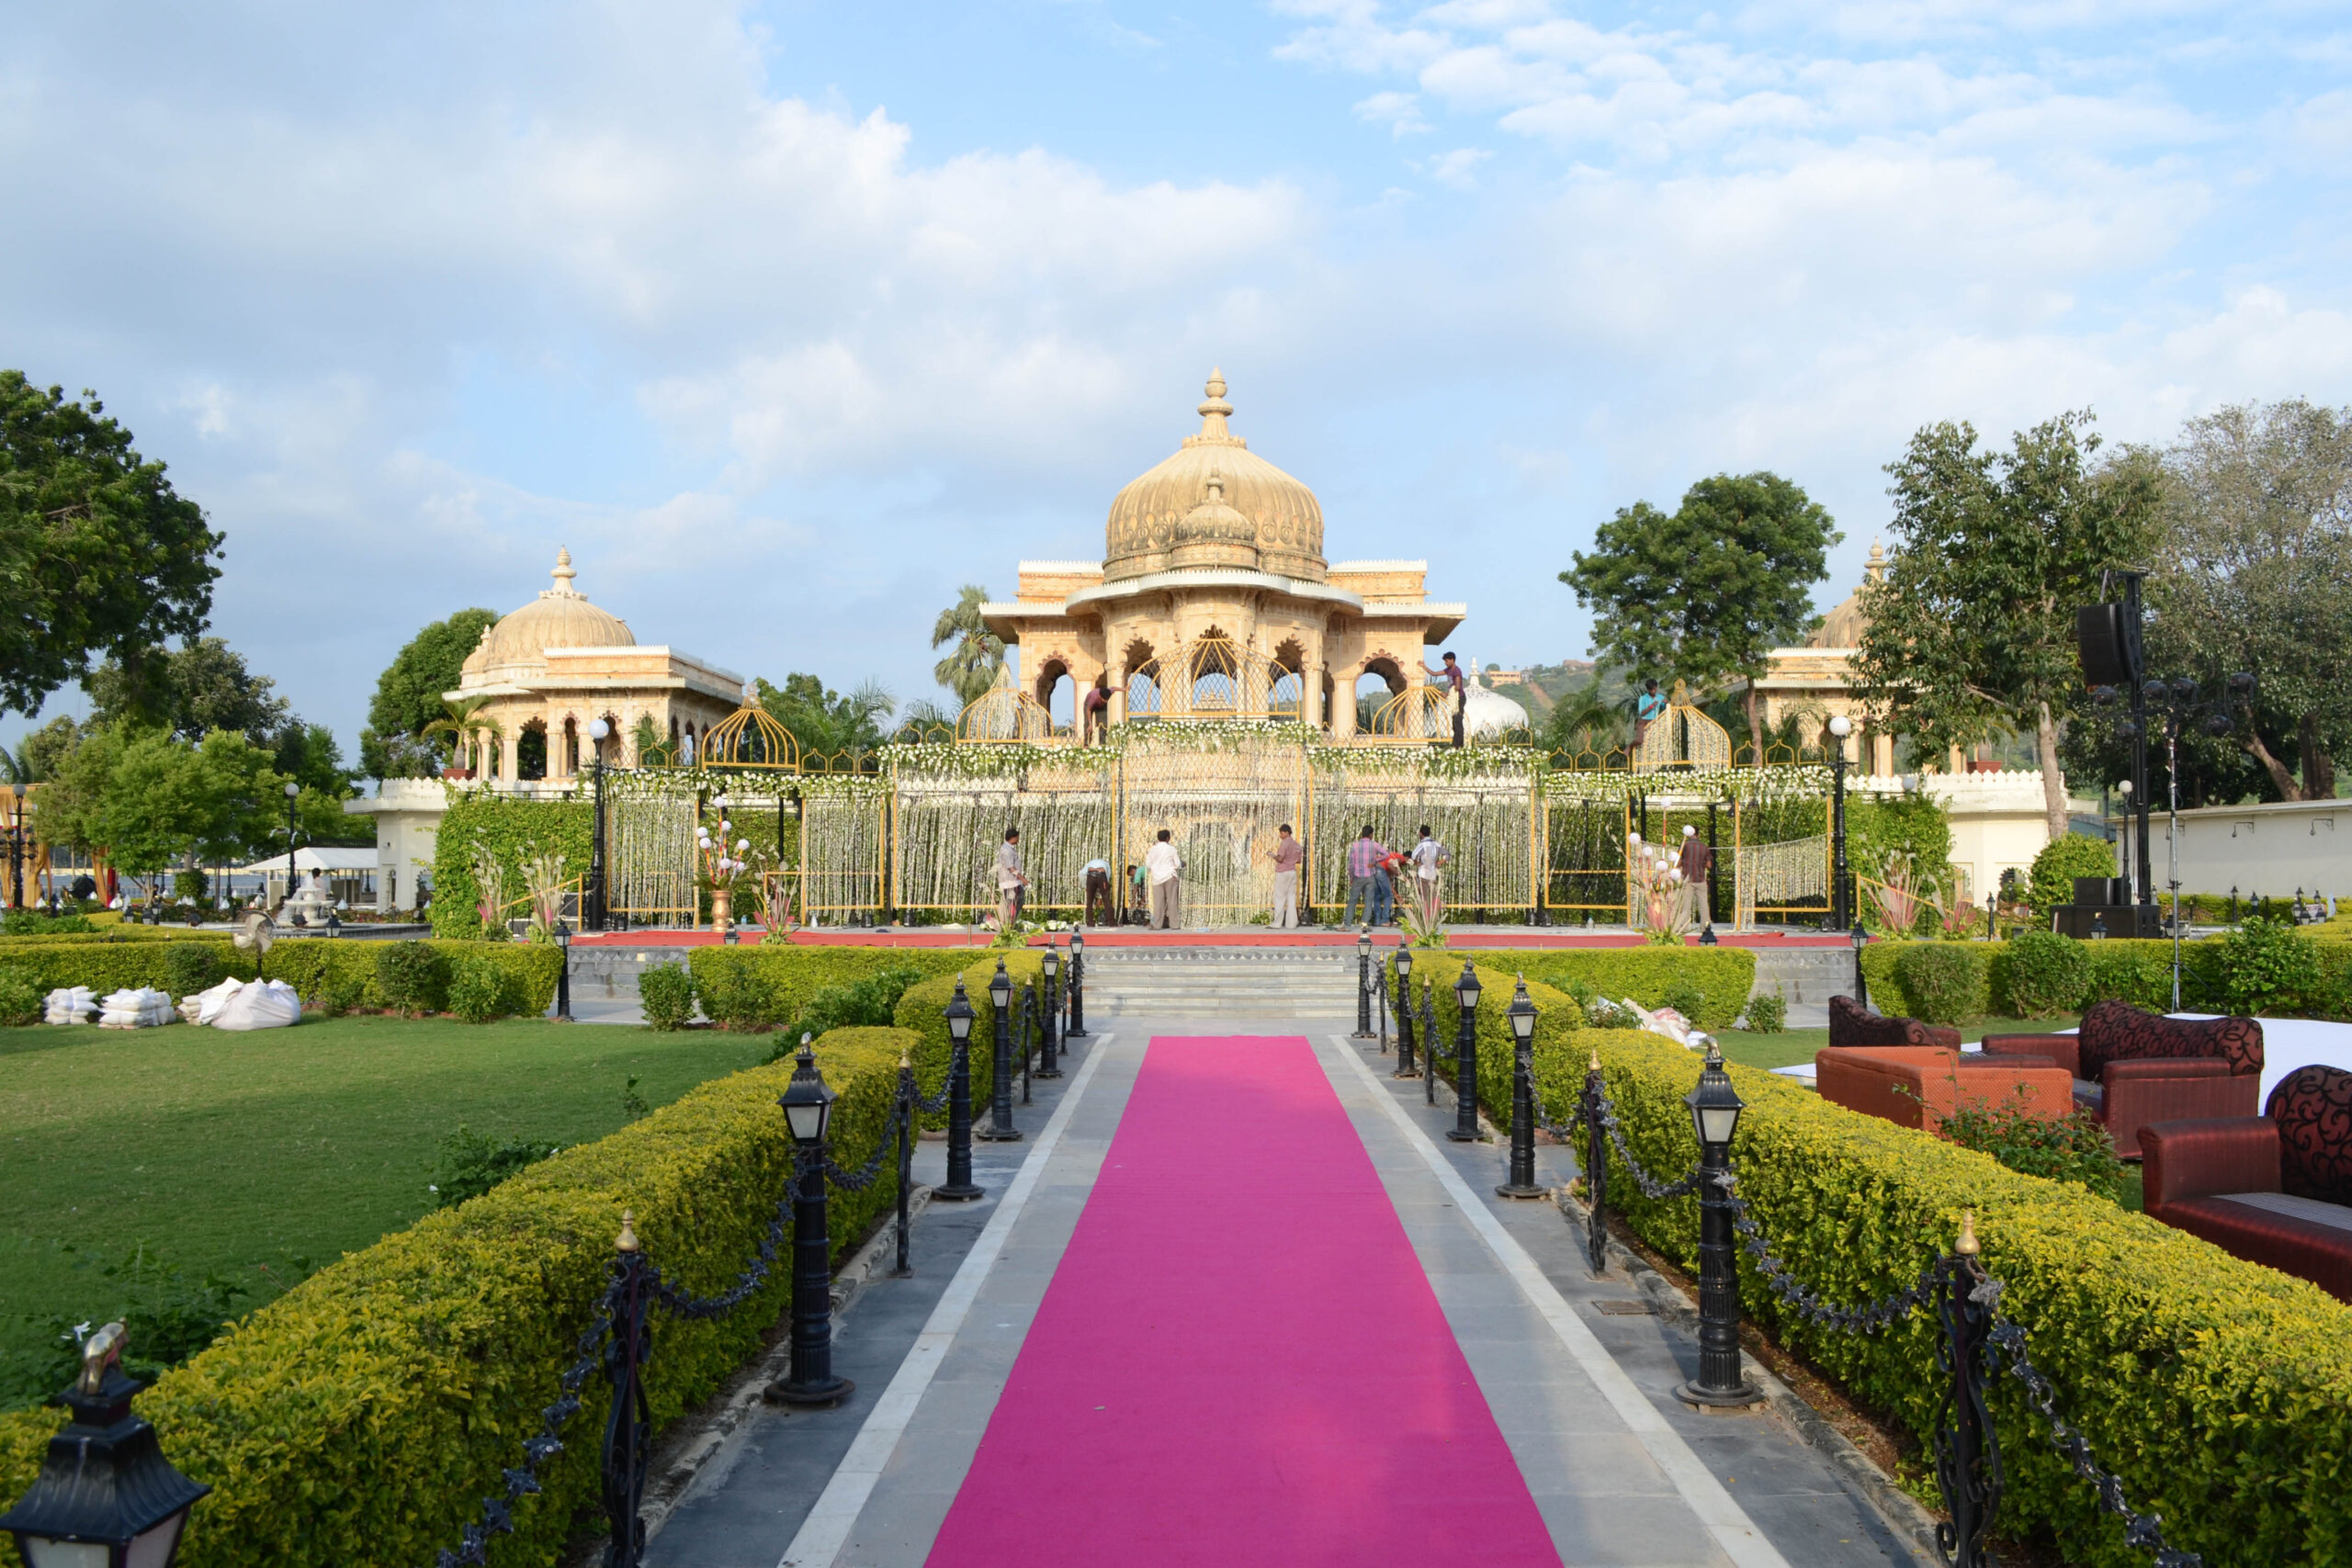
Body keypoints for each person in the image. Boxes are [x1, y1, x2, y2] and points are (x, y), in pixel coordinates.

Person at [1344, 825, 1387, 926]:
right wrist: (1375, 861)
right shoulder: (1375, 845)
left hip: (1358, 876)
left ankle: (1347, 924)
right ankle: (1365, 924)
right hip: (1370, 876)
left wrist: (1351, 878)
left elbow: (1351, 864)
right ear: (1371, 835)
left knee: (1352, 900)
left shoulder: (1355, 845)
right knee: (1368, 901)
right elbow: (1386, 854)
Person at [1423, 650, 1468, 748]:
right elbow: (1434, 673)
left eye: (1447, 661)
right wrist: (1424, 667)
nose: (1446, 663)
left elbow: (1457, 686)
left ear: (1452, 660)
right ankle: (1458, 744)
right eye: (1445, 661)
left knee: (1457, 721)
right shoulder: (1448, 670)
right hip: (1453, 698)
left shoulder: (1457, 671)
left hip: (1459, 698)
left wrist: (1446, 694)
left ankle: (1457, 745)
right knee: (1455, 722)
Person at [1408, 823, 1448, 927]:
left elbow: (1413, 856)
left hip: (1423, 873)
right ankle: (1433, 919)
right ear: (1430, 833)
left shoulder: (1422, 845)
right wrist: (1439, 862)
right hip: (1433, 874)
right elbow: (1447, 855)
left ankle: (1426, 920)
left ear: (1420, 834)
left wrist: (1417, 863)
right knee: (1433, 897)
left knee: (1425, 898)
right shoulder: (1436, 844)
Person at [1144, 829, 1184, 930]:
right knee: (1172, 901)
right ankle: (1174, 924)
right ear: (1168, 838)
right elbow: (1178, 864)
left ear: (1158, 838)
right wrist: (1182, 864)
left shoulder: (1152, 849)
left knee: (1158, 903)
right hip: (1170, 876)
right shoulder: (1171, 849)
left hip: (1156, 878)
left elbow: (1148, 864)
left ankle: (1157, 925)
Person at [1678, 824, 1713, 931]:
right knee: (1704, 905)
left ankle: (1684, 928)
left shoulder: (1684, 845)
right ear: (1698, 834)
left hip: (1687, 879)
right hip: (1701, 879)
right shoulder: (1704, 847)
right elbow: (1709, 865)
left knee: (1686, 906)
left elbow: (1678, 863)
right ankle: (1705, 927)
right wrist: (1700, 863)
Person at [1268, 824, 1304, 929]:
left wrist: (1271, 855)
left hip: (1282, 872)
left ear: (1287, 833)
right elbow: (1299, 861)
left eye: (1282, 833)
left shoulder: (1284, 843)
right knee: (1291, 898)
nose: (1280, 835)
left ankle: (1277, 923)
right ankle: (1291, 924)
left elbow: (1280, 859)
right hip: (1292, 872)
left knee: (1280, 897)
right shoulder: (1297, 845)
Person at [994, 827, 1027, 931]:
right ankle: (1008, 926)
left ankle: (1011, 924)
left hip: (1013, 881)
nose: (1018, 839)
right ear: (1013, 838)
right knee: (1011, 904)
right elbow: (1011, 868)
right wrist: (1023, 879)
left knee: (1018, 901)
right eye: (1017, 837)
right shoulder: (1006, 850)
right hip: (1009, 882)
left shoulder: (1008, 848)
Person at [1633, 678, 1667, 750]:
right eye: (1651, 690)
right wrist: (1652, 706)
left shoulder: (1660, 697)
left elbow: (1665, 708)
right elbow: (1642, 713)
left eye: (1655, 689)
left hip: (1656, 722)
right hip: (1645, 722)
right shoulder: (1643, 698)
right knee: (1641, 741)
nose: (1653, 691)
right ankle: (1630, 746)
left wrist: (1666, 703)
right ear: (1648, 689)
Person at [1081, 854, 1114, 926]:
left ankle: (1090, 922)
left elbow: (1082, 873)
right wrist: (1101, 896)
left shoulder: (1090, 863)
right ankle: (1111, 922)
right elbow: (1107, 878)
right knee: (1106, 900)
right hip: (1101, 874)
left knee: (1089, 901)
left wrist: (1085, 886)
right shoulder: (1106, 864)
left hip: (1090, 875)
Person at [1080, 681, 1111, 745]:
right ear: (1100, 697)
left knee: (1103, 723)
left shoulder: (1109, 692)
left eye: (1107, 700)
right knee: (1087, 724)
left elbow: (1114, 688)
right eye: (1104, 700)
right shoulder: (1093, 698)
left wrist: (1125, 689)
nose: (1106, 701)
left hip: (1100, 706)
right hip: (1088, 706)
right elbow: (1088, 709)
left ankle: (1102, 743)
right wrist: (1090, 723)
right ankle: (1086, 743)